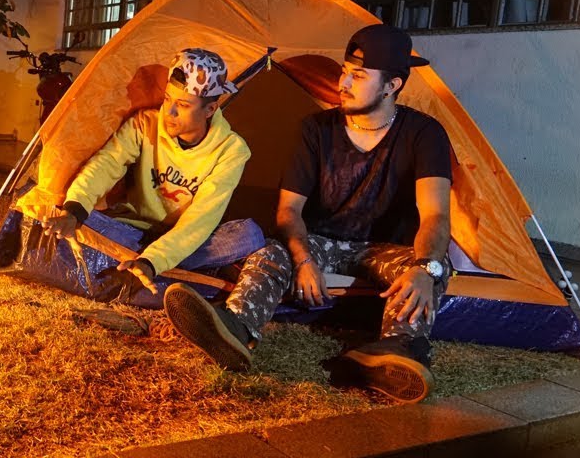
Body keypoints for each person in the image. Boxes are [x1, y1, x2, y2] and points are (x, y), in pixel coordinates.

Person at [164, 24, 454, 403]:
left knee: (434, 266)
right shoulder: (315, 129)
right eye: (344, 71)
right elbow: (289, 210)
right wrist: (303, 260)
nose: (343, 82)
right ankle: (236, 327)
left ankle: (397, 350)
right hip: (320, 242)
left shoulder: (424, 133)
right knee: (271, 252)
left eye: (359, 75)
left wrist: (424, 268)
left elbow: (435, 215)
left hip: (384, 249)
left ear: (392, 86)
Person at [24, 48, 252, 293]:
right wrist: (74, 210)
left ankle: (141, 269)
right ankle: (174, 277)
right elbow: (106, 164)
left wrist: (152, 261)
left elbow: (200, 221)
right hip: (132, 232)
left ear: (210, 110)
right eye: (167, 99)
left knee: (247, 235)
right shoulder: (145, 124)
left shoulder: (231, 150)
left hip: (183, 241)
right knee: (67, 217)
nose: (170, 112)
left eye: (183, 105)